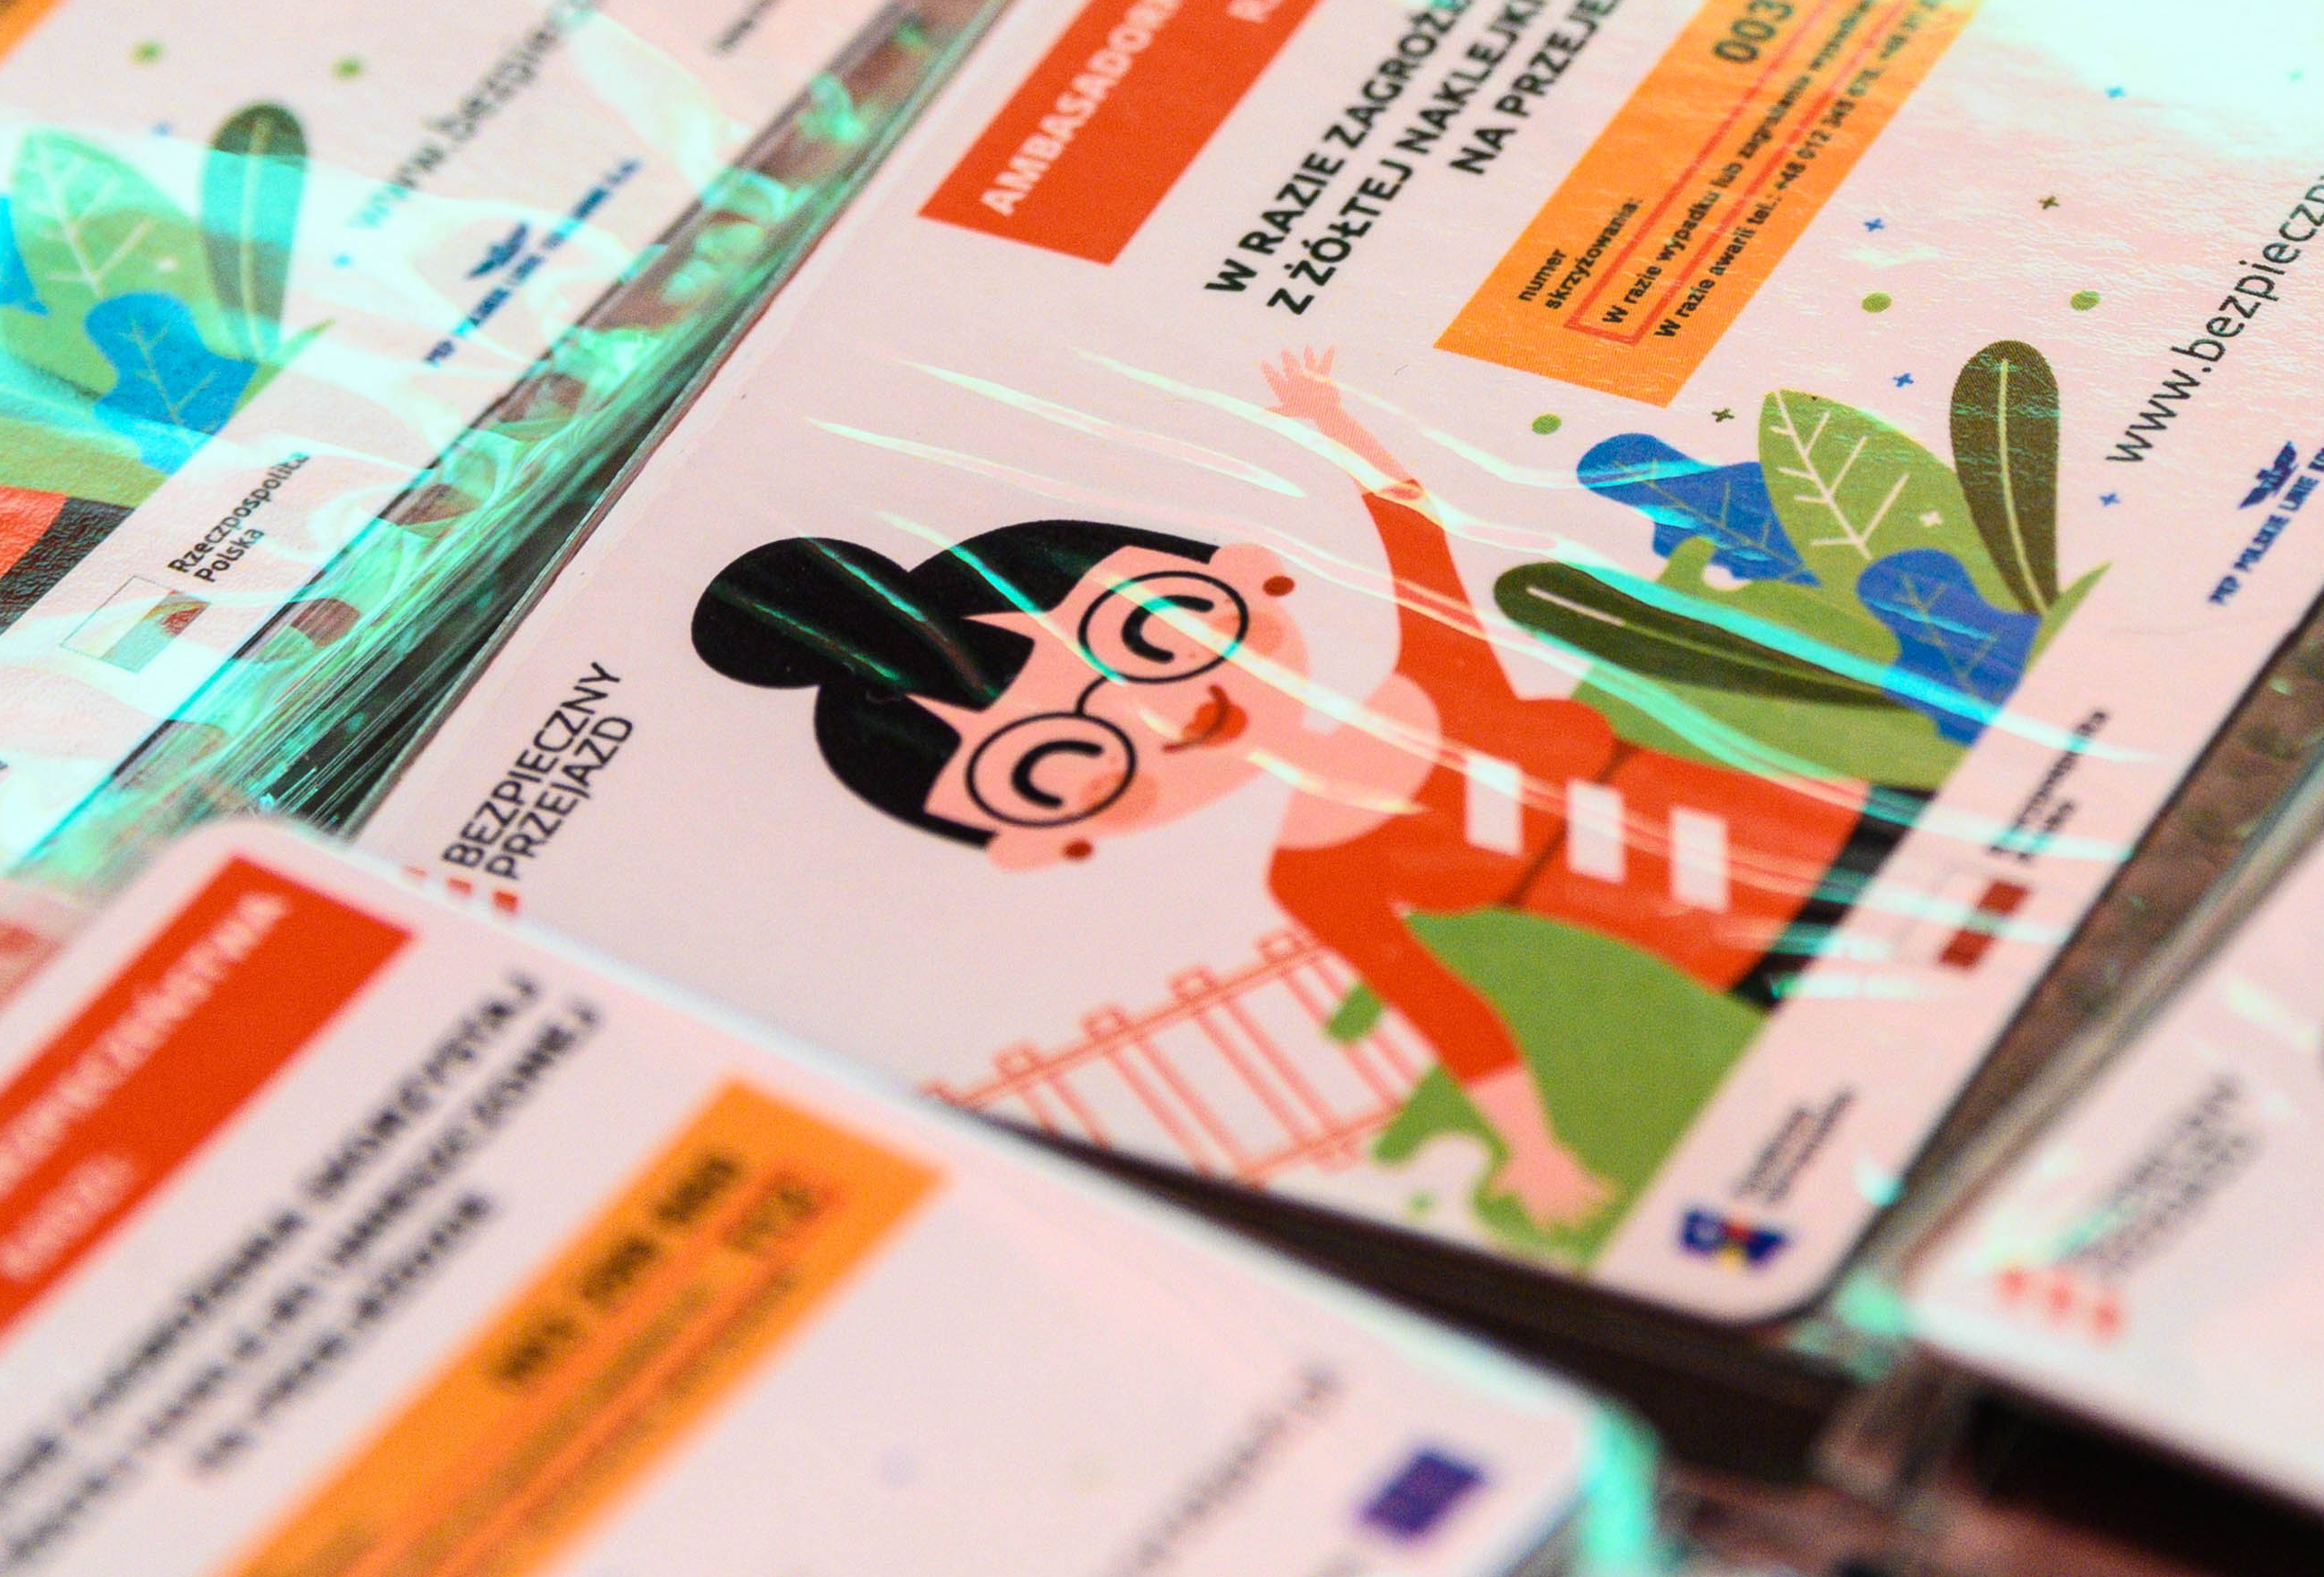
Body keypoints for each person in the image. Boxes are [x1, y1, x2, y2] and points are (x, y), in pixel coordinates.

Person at [691, 348, 1893, 1237]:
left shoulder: (1438, 678)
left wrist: (1332, 424)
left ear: (1251, 575)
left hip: (1857, 825)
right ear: (1038, 840)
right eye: (1061, 763)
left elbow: (1411, 529)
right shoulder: (1316, 872)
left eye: (1154, 637)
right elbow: (1449, 1013)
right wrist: (1532, 1152)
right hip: (1755, 958)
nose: (1165, 717)